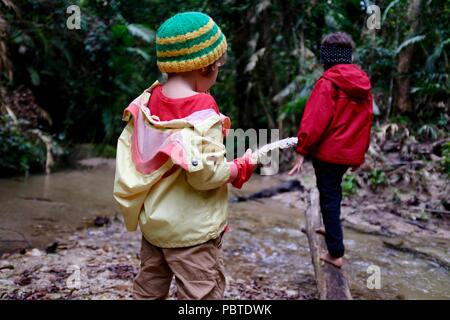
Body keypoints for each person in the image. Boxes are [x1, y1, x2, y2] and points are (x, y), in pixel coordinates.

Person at [113, 12, 255, 299]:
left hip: (154, 226)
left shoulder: (147, 101)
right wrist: (240, 168)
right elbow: (206, 175)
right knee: (199, 294)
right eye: (219, 67)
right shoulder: (203, 108)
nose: (218, 74)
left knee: (149, 288)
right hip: (193, 234)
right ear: (206, 67)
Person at [289, 32, 373, 268]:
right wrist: (360, 155)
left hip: (328, 154)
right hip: (347, 154)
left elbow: (314, 121)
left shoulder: (328, 83)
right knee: (333, 192)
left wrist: (302, 149)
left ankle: (335, 253)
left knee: (329, 196)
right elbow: (366, 122)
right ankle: (330, 226)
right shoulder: (363, 85)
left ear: (326, 58)